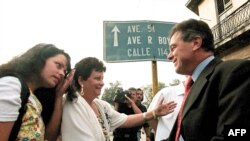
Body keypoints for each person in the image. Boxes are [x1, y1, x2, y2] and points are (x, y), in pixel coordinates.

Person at [165, 19, 250, 141]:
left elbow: (236, 134)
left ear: (196, 43)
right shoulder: (193, 85)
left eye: (173, 48)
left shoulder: (235, 72)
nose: (169, 56)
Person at [61, 57, 177, 141]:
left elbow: (125, 120)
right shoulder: (73, 105)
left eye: (102, 78)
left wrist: (154, 113)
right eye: (97, 78)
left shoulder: (101, 105)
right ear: (81, 80)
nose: (102, 83)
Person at [0, 43, 74, 141]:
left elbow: (48, 138)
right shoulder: (12, 85)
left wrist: (59, 96)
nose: (61, 73)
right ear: (39, 60)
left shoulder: (34, 100)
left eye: (64, 71)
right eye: (58, 65)